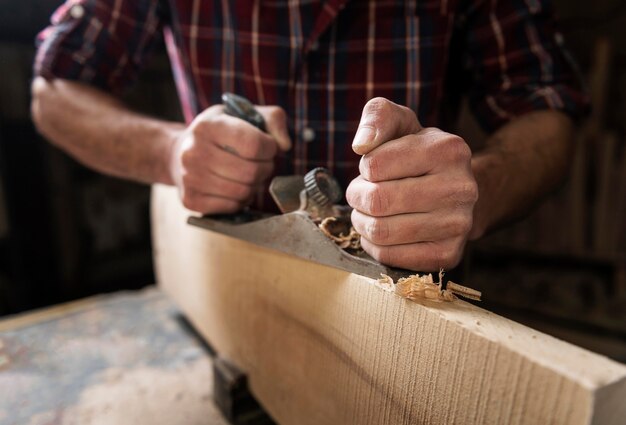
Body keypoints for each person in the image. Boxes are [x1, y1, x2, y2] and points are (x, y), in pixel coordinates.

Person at [31, 1, 588, 272]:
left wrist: (478, 192)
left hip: (404, 280)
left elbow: (545, 107)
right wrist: (170, 151)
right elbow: (54, 93)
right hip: (228, 272)